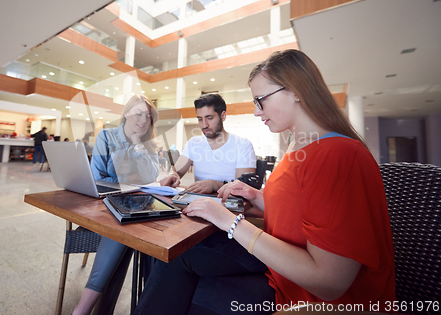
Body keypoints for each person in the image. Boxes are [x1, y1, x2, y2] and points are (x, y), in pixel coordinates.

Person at [133, 49, 396, 314]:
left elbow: (330, 282)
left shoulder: (338, 155)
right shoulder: (299, 149)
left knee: (185, 274)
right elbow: (302, 215)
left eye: (260, 100)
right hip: (283, 274)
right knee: (178, 256)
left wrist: (229, 221)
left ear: (295, 90)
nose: (257, 112)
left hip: (311, 300)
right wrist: (257, 197)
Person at [73, 95, 159, 315]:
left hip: (133, 208)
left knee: (128, 229)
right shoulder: (106, 136)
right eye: (138, 113)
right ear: (127, 113)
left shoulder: (147, 144)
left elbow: (151, 177)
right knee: (124, 231)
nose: (142, 120)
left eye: (147, 117)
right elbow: (97, 178)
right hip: (102, 208)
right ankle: (91, 309)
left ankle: (85, 310)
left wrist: (139, 146)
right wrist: (130, 179)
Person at [160, 93, 256, 193]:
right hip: (198, 202)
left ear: (223, 116)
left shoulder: (242, 145)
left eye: (209, 118)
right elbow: (176, 171)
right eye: (200, 119)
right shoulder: (193, 143)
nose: (204, 125)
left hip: (228, 205)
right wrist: (172, 175)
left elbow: (244, 188)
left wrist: (215, 185)